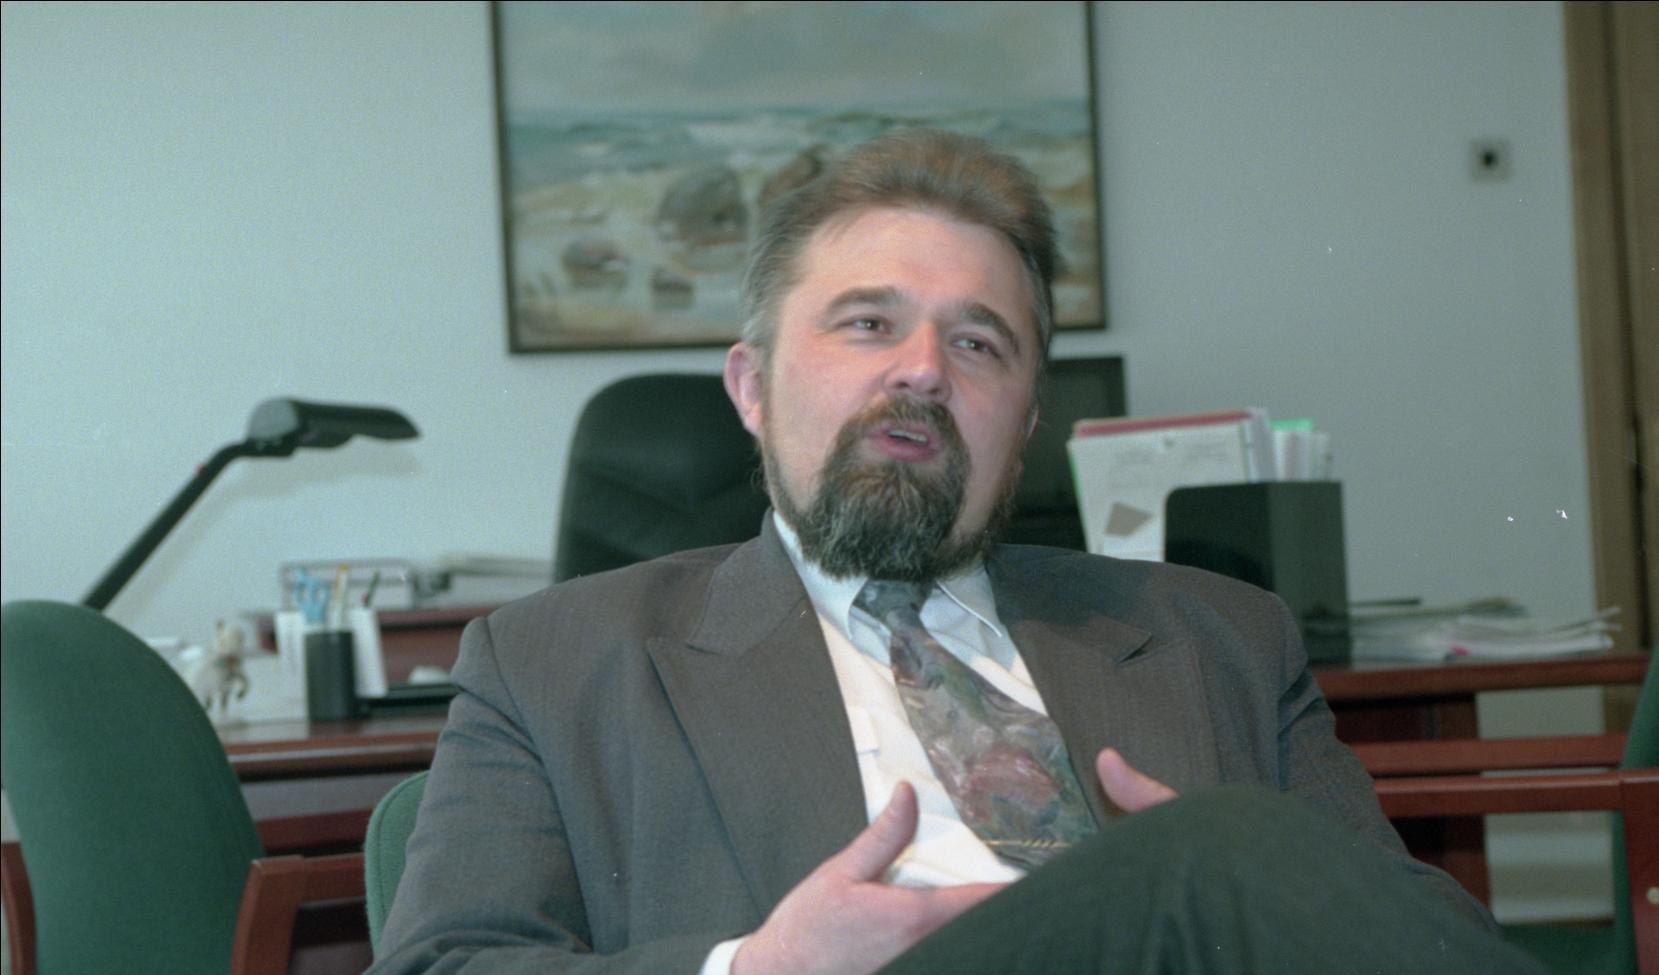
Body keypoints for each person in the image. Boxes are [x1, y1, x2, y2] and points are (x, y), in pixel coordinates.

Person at [371, 129, 1544, 974]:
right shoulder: (553, 660)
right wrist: (755, 969)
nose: (924, 369)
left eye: (979, 344)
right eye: (868, 323)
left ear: (1024, 426)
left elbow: (1412, 933)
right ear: (751, 386)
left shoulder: (1220, 637)